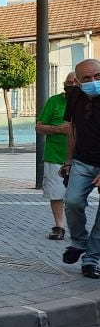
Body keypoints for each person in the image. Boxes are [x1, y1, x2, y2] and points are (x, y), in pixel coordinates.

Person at [61, 59, 100, 279]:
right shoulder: (75, 96)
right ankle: (79, 242)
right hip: (82, 161)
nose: (93, 81)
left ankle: (91, 260)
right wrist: (67, 161)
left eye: (98, 76)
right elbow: (72, 130)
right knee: (73, 202)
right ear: (78, 81)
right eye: (87, 78)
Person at [35, 72, 79, 241]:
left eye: (76, 83)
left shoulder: (89, 102)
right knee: (57, 193)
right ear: (64, 84)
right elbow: (39, 127)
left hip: (82, 157)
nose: (73, 86)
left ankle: (78, 227)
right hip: (55, 156)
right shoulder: (54, 101)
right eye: (70, 83)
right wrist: (57, 129)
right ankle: (59, 226)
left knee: (76, 197)